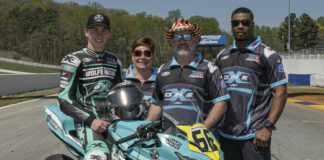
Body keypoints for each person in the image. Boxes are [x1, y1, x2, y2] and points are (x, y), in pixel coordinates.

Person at [215, 7, 288, 160]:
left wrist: (268, 127)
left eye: (245, 22)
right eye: (236, 23)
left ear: (252, 25)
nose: (240, 26)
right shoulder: (222, 56)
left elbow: (281, 92)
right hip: (225, 135)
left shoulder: (268, 55)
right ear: (232, 26)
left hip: (255, 136)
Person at [57, 13, 123, 160]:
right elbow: (64, 98)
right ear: (86, 32)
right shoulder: (73, 59)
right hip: (88, 123)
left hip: (114, 122)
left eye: (103, 31)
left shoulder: (115, 61)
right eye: (94, 30)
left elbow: (120, 94)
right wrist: (91, 121)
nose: (99, 35)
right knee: (99, 156)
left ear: (109, 34)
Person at [147, 19, 230, 131]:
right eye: (176, 37)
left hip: (198, 140)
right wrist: (146, 126)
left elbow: (221, 102)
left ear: (195, 39)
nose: (182, 42)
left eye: (187, 36)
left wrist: (205, 127)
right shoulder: (162, 69)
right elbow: (157, 104)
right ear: (171, 42)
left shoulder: (210, 68)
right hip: (168, 140)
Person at [124, 37, 158, 116]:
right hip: (127, 126)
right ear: (132, 57)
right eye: (138, 53)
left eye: (147, 53)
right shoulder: (121, 78)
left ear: (152, 56)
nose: (142, 57)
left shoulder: (162, 78)